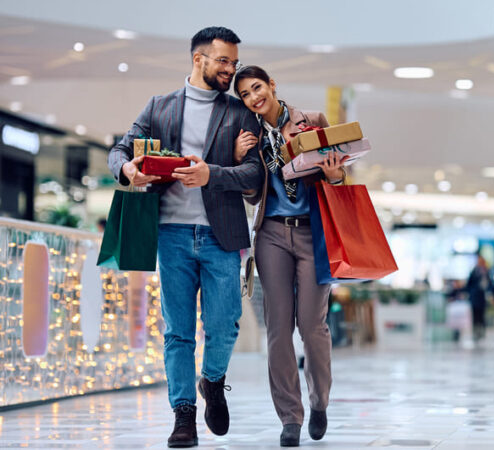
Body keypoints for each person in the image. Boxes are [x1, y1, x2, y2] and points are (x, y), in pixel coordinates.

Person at [108, 27, 263, 448]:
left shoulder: (239, 113)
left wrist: (213, 173)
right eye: (223, 62)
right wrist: (128, 170)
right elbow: (119, 152)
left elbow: (254, 174)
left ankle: (212, 381)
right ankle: (183, 415)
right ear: (199, 59)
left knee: (225, 324)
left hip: (222, 234)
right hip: (171, 233)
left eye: (233, 62)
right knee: (178, 331)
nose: (231, 70)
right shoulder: (160, 107)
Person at [232, 65, 347, 447]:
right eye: (246, 94)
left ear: (272, 86)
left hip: (313, 233)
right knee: (279, 330)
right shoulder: (248, 137)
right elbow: (251, 195)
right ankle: (290, 417)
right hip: (271, 234)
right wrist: (238, 160)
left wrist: (334, 176)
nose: (253, 98)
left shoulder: (310, 121)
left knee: (312, 328)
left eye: (257, 88)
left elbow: (338, 177)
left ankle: (320, 401)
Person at [466, 254, 492, 342]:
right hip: (474, 297)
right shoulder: (474, 271)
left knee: (481, 315)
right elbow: (469, 284)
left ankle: (481, 332)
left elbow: (490, 284)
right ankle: (475, 332)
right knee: (475, 315)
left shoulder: (486, 271)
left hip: (482, 298)